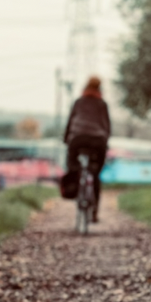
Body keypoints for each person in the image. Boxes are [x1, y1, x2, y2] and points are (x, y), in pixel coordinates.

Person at [63, 76, 110, 219]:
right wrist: (105, 140)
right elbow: (107, 126)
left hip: (78, 139)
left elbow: (70, 122)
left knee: (72, 165)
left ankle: (75, 187)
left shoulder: (78, 102)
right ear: (100, 88)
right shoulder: (102, 104)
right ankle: (94, 209)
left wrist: (66, 139)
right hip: (98, 140)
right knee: (96, 173)